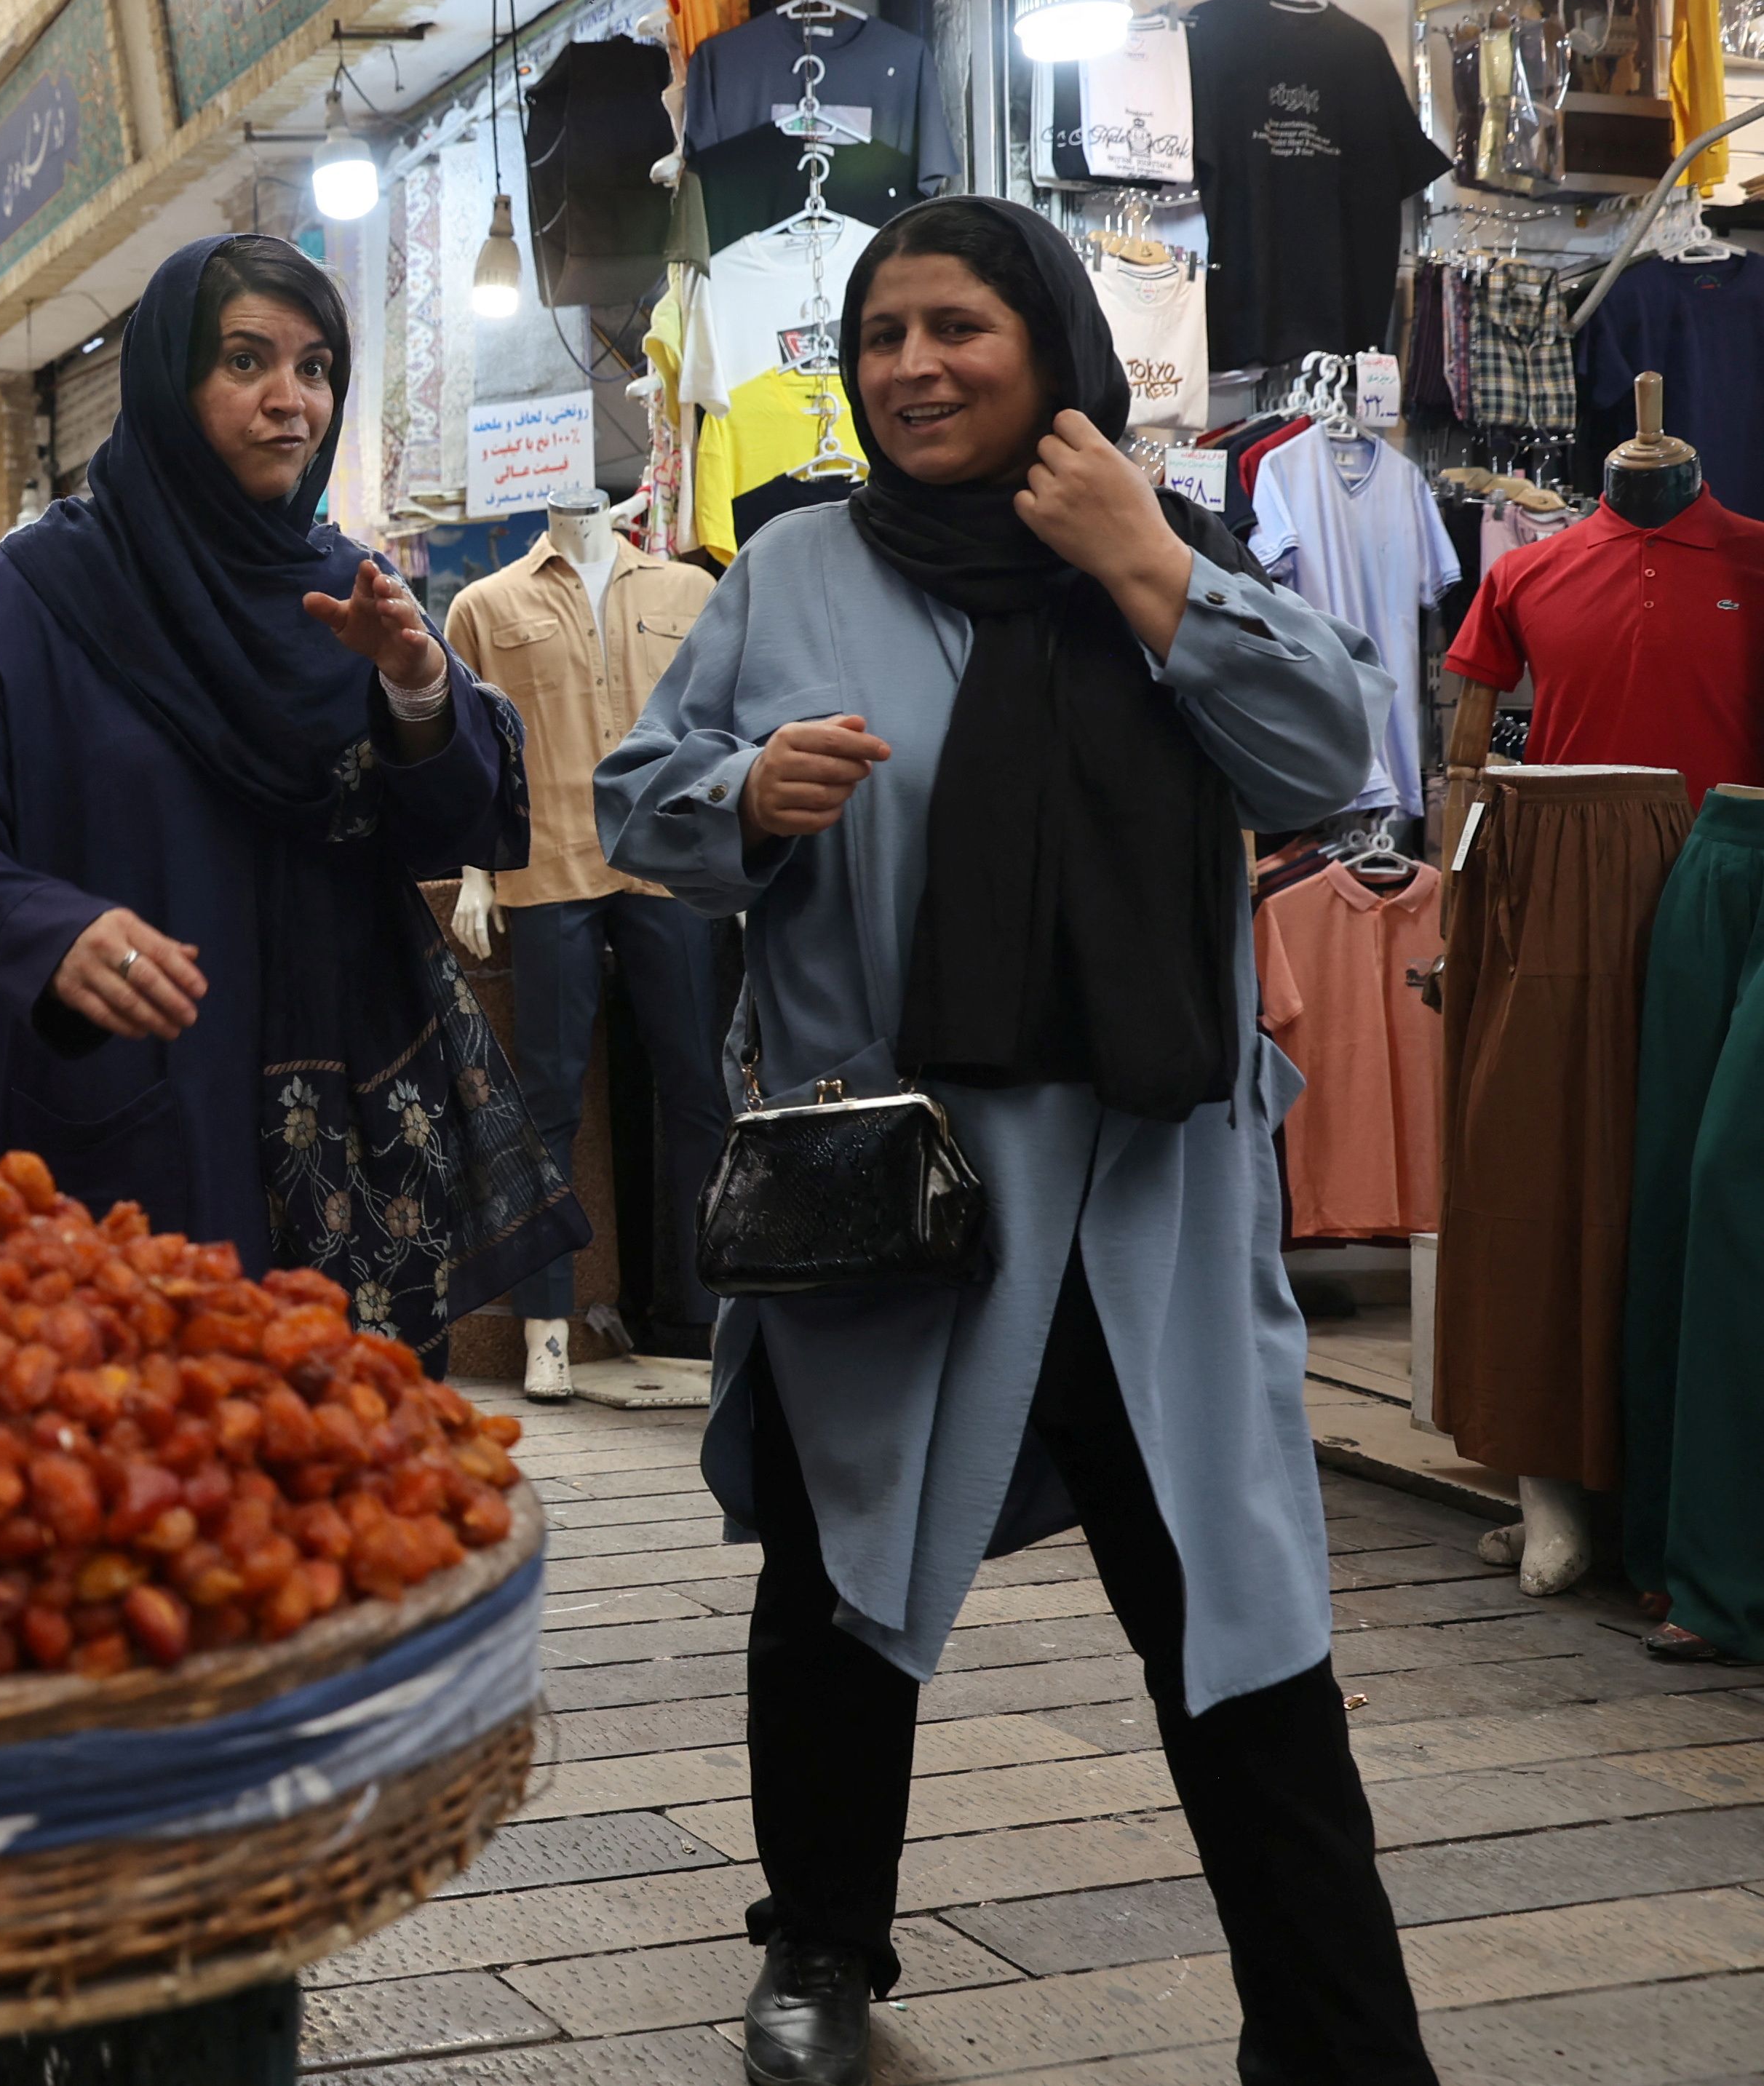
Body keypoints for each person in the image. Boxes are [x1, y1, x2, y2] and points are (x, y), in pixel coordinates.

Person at [596, 196, 1436, 2085]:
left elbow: (1321, 760)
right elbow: (637, 804)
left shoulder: (1164, 542)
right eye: (878, 334)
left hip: (1142, 1205)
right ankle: (817, 1953)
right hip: (889, 1189)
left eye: (954, 327)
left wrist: (1140, 563)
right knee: (834, 1585)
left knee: (1231, 1611)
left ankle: (1335, 2036)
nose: (910, 367)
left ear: (1048, 343)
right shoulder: (792, 569)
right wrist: (745, 793)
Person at [0, 232, 580, 1372]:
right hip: (126, 1085)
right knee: (129, 1416)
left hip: (338, 1132)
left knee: (332, 1437)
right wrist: (48, 928)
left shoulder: (349, 592)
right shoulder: (39, 591)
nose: (288, 400)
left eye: (316, 368)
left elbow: (450, 825)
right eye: (245, 360)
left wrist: (417, 690)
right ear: (170, 378)